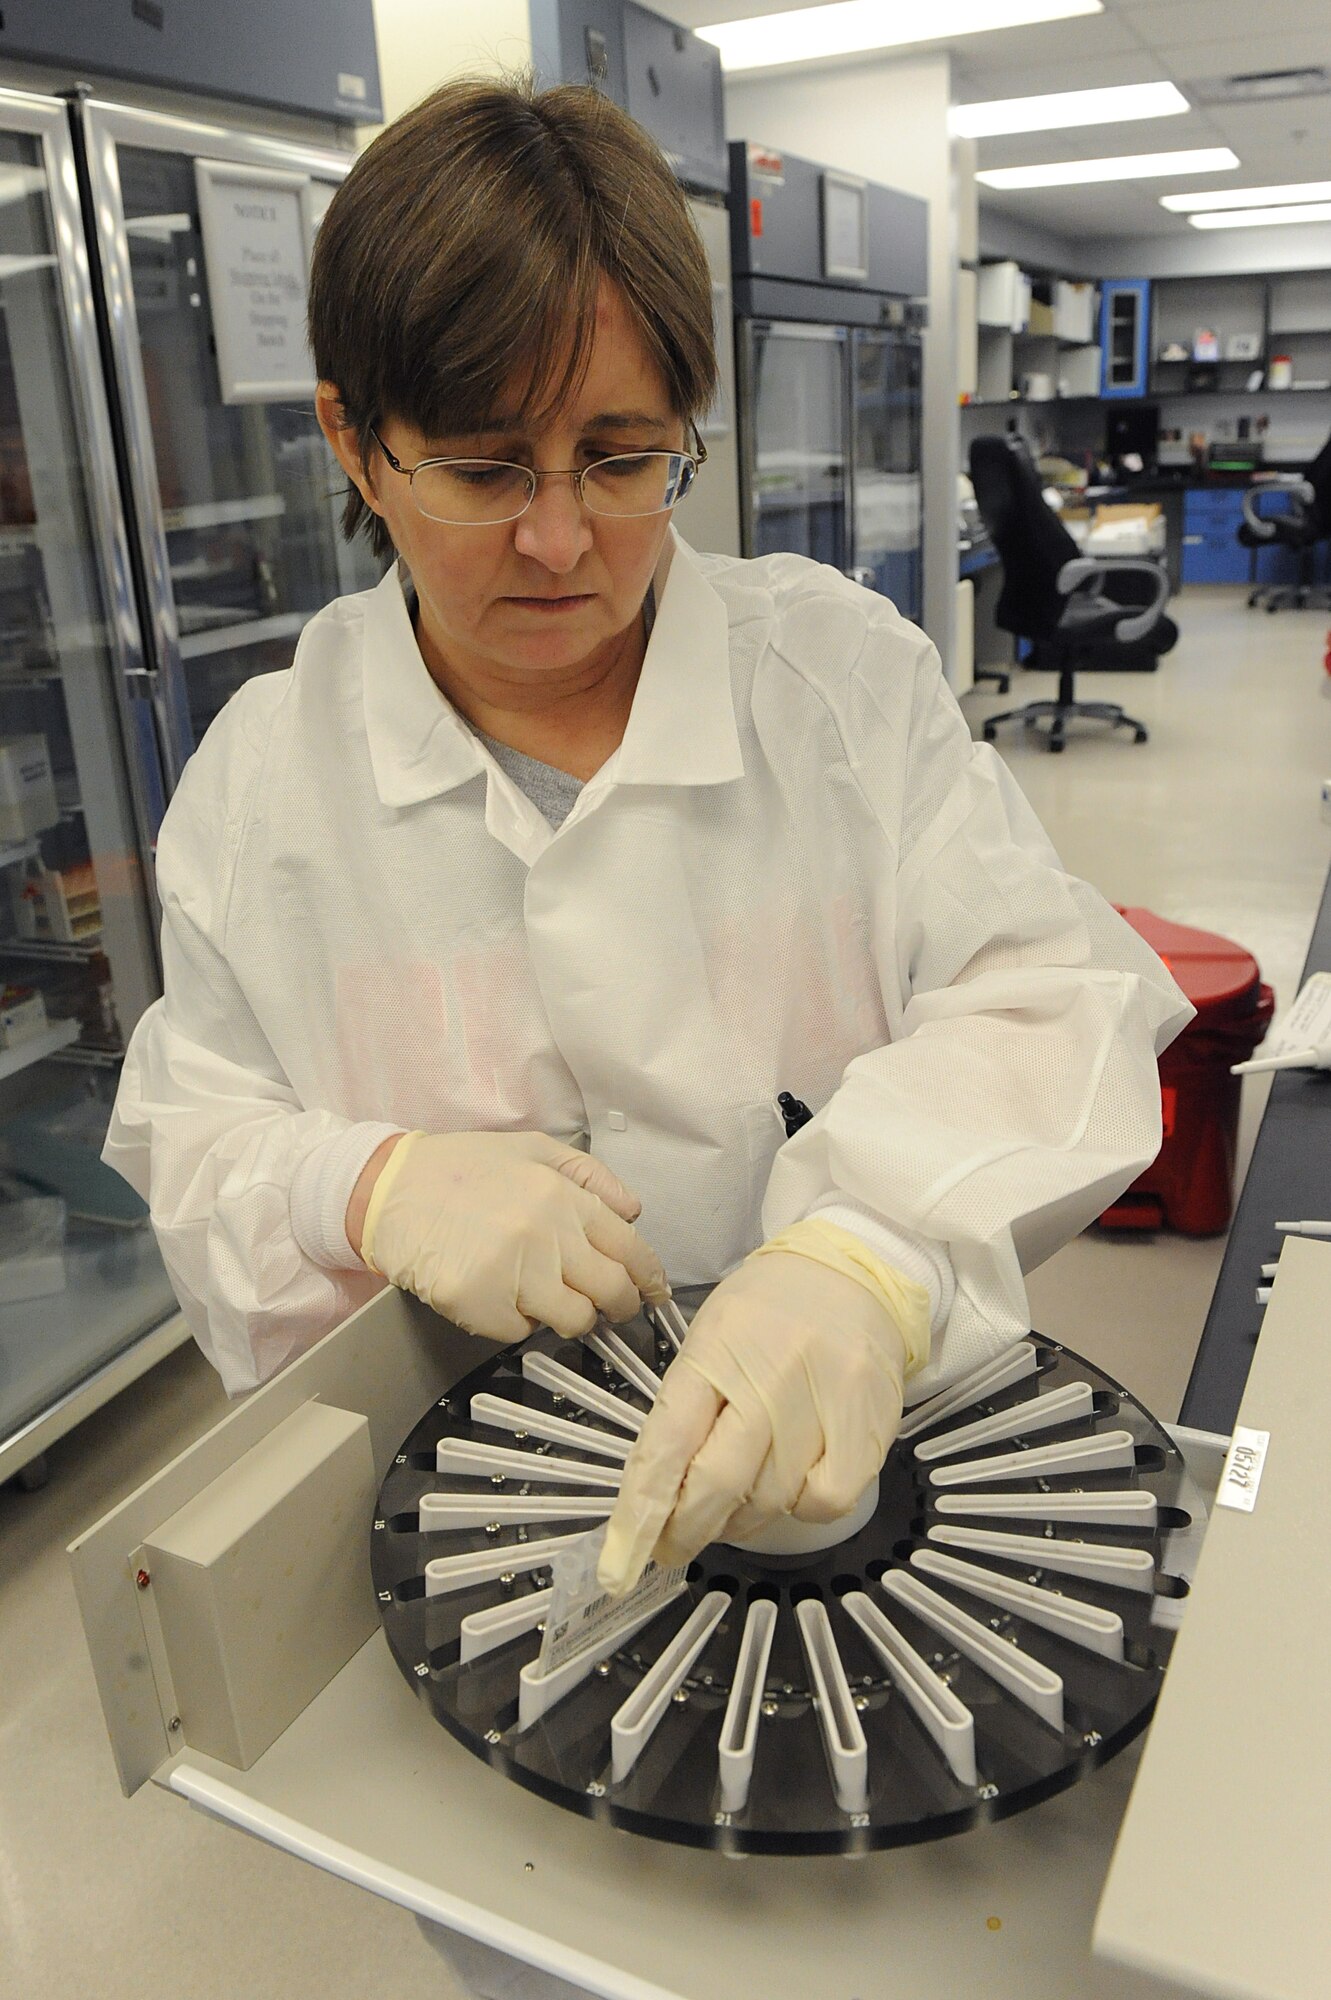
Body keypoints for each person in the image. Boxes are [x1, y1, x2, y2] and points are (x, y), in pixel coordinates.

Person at [106, 69, 1188, 1714]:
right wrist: (368, 1181)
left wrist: (864, 1260)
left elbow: (1051, 994)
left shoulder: (836, 682)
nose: (562, 542)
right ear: (354, 440)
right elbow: (196, 1141)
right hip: (477, 1536)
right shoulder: (268, 786)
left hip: (865, 1491)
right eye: (483, 469)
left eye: (621, 459)